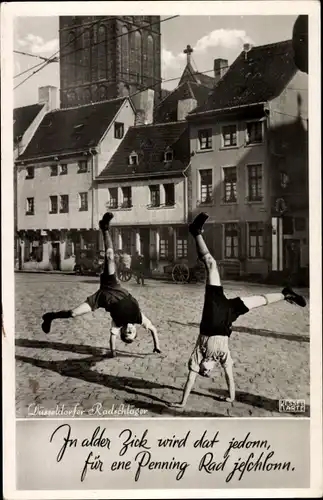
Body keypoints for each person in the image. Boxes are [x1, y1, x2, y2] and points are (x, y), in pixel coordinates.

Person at [170, 212, 306, 408]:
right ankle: (286, 294)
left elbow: (190, 380)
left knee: (211, 265)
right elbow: (230, 379)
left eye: (202, 371)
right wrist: (231, 397)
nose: (205, 371)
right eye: (207, 373)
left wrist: (182, 403)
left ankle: (195, 232)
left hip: (213, 309)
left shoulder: (197, 356)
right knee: (260, 301)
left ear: (199, 366)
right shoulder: (223, 358)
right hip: (229, 314)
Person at [41, 212, 162, 358]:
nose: (129, 332)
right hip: (112, 285)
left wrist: (113, 352)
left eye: (126, 334)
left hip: (99, 299)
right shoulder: (140, 318)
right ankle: (105, 228)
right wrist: (157, 346)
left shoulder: (117, 324)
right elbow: (153, 330)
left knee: (73, 313)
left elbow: (112, 338)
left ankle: (50, 317)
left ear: (122, 332)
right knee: (110, 257)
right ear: (136, 331)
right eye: (132, 334)